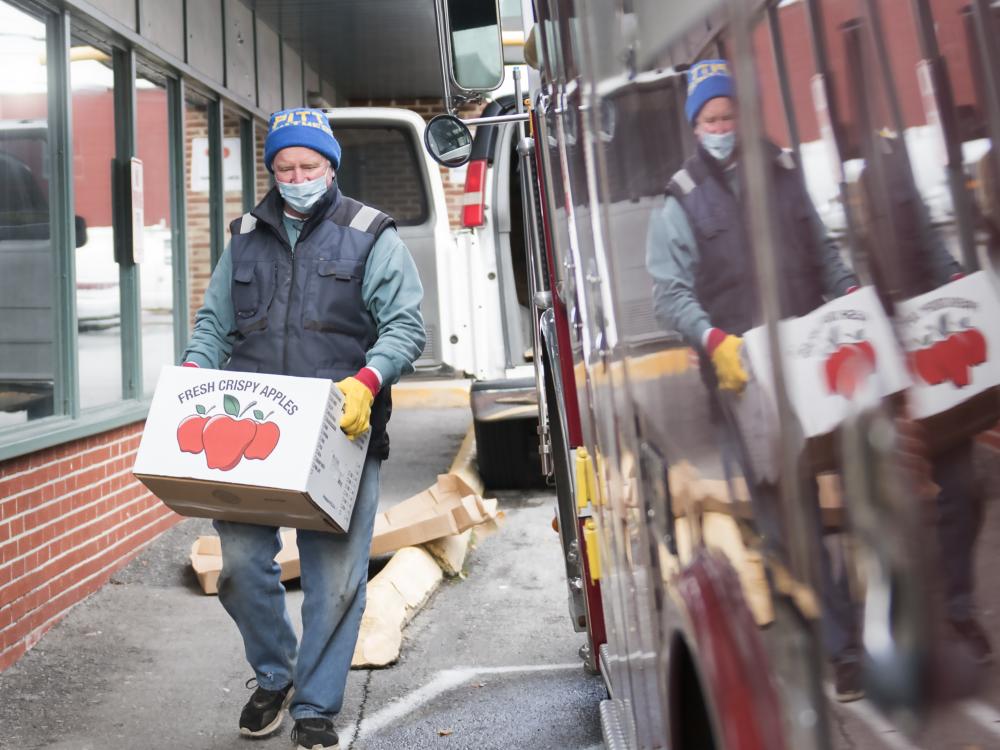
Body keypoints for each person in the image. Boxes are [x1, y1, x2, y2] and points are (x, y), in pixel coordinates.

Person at [181, 107, 426, 750]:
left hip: (338, 432)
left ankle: (316, 705)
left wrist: (367, 382)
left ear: (331, 166)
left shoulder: (371, 234)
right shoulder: (244, 235)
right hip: (252, 434)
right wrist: (191, 376)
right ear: (271, 170)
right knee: (236, 564)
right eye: (284, 167)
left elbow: (405, 327)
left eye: (309, 166)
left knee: (336, 579)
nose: (296, 177)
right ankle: (274, 673)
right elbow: (215, 325)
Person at [645, 60, 865, 700]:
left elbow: (822, 251)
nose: (722, 127)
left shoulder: (783, 171)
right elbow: (670, 295)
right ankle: (841, 647)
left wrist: (849, 296)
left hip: (814, 365)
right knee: (783, 516)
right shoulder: (682, 197)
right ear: (695, 125)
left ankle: (867, 626)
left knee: (859, 495)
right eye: (710, 119)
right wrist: (712, 339)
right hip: (743, 383)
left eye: (729, 115)